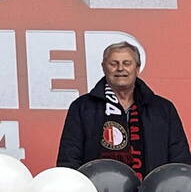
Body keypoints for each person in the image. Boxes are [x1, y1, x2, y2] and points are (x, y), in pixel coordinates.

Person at [57, 41, 190, 179]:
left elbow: (180, 161)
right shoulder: (82, 107)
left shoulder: (162, 108)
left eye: (127, 63)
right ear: (104, 68)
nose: (120, 68)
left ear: (137, 68)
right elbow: (69, 159)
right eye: (113, 64)